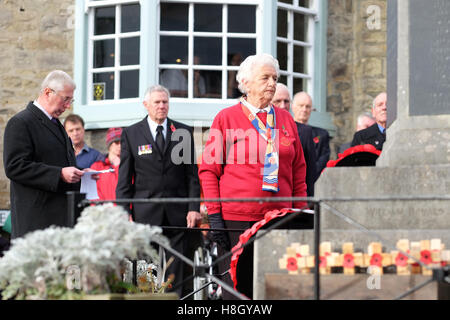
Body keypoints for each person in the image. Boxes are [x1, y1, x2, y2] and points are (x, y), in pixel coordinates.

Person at [198, 53, 308, 299]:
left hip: (279, 219)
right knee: (238, 289)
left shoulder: (285, 119)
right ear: (245, 83)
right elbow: (208, 170)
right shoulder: (226, 118)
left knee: (277, 288)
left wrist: (299, 213)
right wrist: (215, 216)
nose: (272, 84)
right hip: (238, 220)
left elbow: (299, 170)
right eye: (265, 78)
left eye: (275, 78)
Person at [116, 84, 202, 298]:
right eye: (157, 102)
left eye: (165, 102)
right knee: (145, 267)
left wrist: (193, 207)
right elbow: (125, 178)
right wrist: (122, 210)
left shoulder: (182, 132)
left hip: (177, 213)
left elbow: (192, 175)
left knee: (178, 269)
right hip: (145, 213)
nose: (162, 106)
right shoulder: (131, 134)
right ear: (146, 105)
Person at [3, 70, 85, 239]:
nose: (68, 106)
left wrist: (82, 173)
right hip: (36, 223)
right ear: (48, 92)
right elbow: (15, 167)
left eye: (71, 100)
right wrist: (59, 174)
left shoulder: (56, 124)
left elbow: (59, 161)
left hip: (60, 221)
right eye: (65, 99)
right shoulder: (21, 122)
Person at [272, 83, 317, 197]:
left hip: (293, 197)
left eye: (286, 101)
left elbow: (310, 172)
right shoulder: (257, 128)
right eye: (278, 101)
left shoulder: (305, 131)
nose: (283, 106)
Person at [292, 91, 331, 180]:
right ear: (293, 107)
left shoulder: (322, 135)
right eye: (301, 105)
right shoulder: (285, 131)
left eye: (308, 106)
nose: (304, 109)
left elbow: (322, 160)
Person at [90, 127, 122, 201]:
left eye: (122, 142)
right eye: (116, 142)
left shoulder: (128, 164)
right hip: (103, 209)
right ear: (109, 145)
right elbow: (92, 191)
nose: (120, 145)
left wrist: (118, 167)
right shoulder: (97, 166)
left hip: (123, 210)